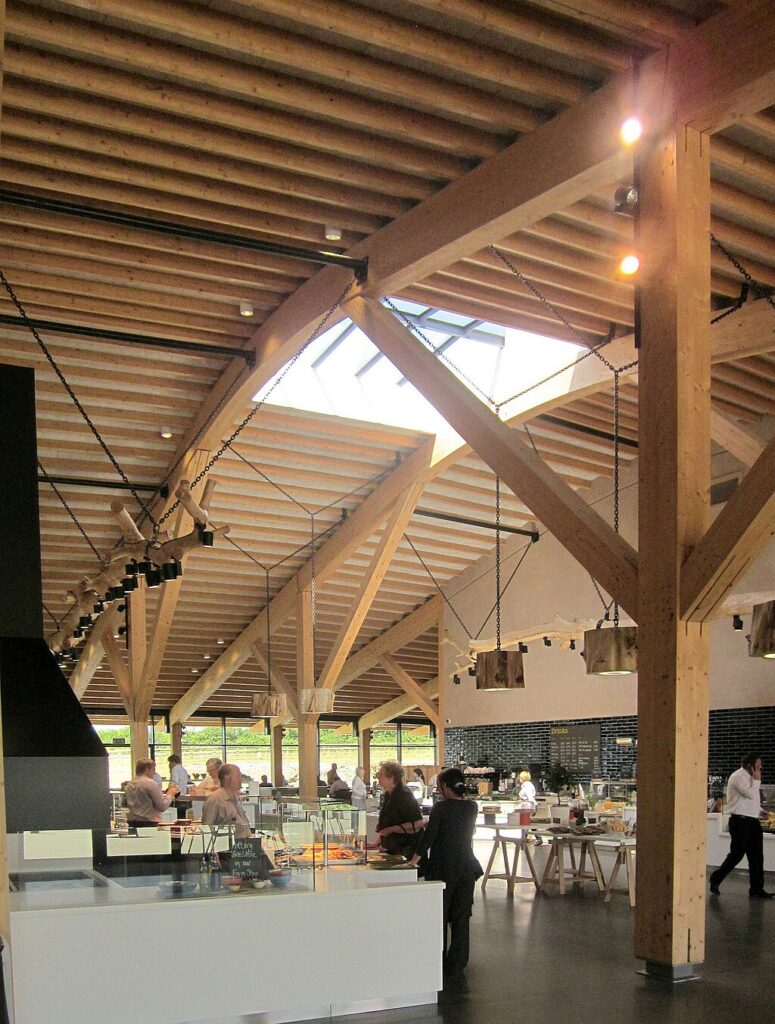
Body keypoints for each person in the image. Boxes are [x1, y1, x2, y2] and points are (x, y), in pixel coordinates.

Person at [410, 767, 482, 981]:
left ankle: (437, 959)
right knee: (461, 917)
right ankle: (458, 963)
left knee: (439, 916)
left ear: (443, 786)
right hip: (466, 867)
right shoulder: (472, 807)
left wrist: (413, 861)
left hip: (443, 867)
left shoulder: (441, 808)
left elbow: (430, 837)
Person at [710, 752, 773, 898]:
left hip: (752, 821)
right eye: (758, 765)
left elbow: (751, 801)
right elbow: (749, 794)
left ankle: (756, 888)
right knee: (737, 854)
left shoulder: (752, 778)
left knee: (757, 856)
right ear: (750, 765)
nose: (761, 768)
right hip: (740, 822)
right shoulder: (738, 777)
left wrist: (760, 810)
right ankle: (716, 878)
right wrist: (757, 780)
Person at [375, 760, 424, 858]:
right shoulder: (389, 793)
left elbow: (418, 822)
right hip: (394, 848)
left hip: (406, 849)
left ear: (392, 777)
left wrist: (392, 829)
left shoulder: (404, 794)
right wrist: (378, 842)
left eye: (381, 775)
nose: (378, 777)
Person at [201, 763, 251, 840]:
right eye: (238, 776)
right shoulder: (214, 800)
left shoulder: (235, 799)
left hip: (244, 847)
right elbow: (207, 830)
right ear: (227, 778)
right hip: (226, 849)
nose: (241, 780)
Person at [124, 758, 179, 827]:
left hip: (132, 822)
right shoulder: (151, 784)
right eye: (153, 769)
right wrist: (170, 794)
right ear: (147, 769)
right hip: (149, 823)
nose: (154, 773)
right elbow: (162, 806)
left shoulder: (129, 784)